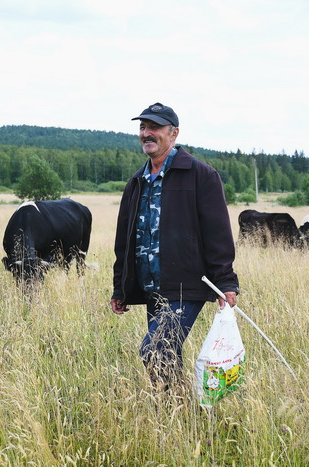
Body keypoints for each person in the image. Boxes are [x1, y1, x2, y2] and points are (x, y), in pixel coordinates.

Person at [110, 102, 239, 391]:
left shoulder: (200, 175)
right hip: (151, 286)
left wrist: (226, 281)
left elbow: (218, 233)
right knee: (167, 354)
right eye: (143, 127)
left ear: (174, 133)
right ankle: (175, 414)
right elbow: (124, 241)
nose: (146, 133)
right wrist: (121, 288)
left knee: (154, 349)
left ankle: (175, 409)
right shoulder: (137, 182)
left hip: (185, 285)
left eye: (154, 127)